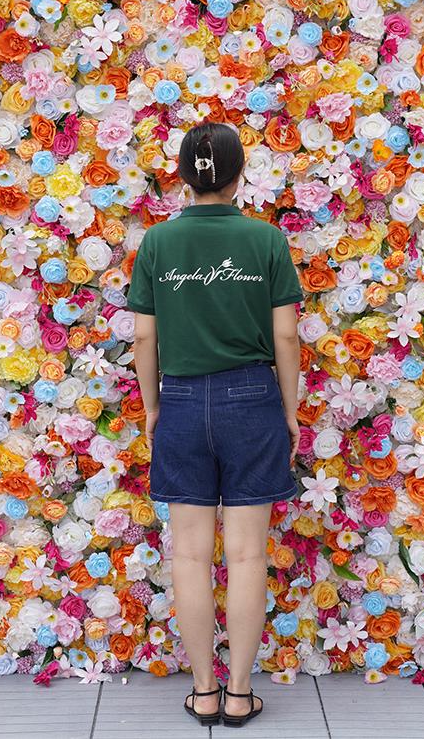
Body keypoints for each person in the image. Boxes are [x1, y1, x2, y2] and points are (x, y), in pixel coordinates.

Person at [127, 120, 304, 728]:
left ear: (181, 175)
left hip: (177, 400)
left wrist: (153, 406)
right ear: (239, 175)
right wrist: (287, 408)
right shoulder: (266, 241)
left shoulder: (157, 244)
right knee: (248, 556)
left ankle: (202, 690)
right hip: (253, 400)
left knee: (191, 557)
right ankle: (238, 692)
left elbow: (144, 336)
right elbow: (285, 332)